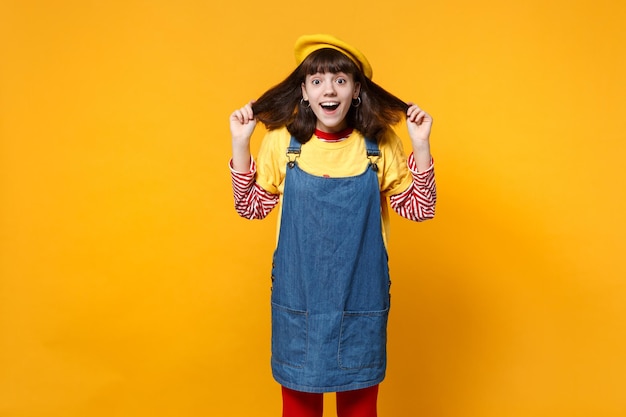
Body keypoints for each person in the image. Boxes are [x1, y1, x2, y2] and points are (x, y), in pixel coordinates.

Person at [229, 34, 437, 417]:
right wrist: (240, 145)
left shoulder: (379, 143)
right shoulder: (282, 143)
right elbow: (251, 208)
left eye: (340, 80)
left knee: (359, 410)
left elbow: (420, 210)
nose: (329, 89)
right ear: (304, 92)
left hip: (362, 300)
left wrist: (420, 145)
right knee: (299, 410)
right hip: (299, 301)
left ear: (356, 90)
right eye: (318, 80)